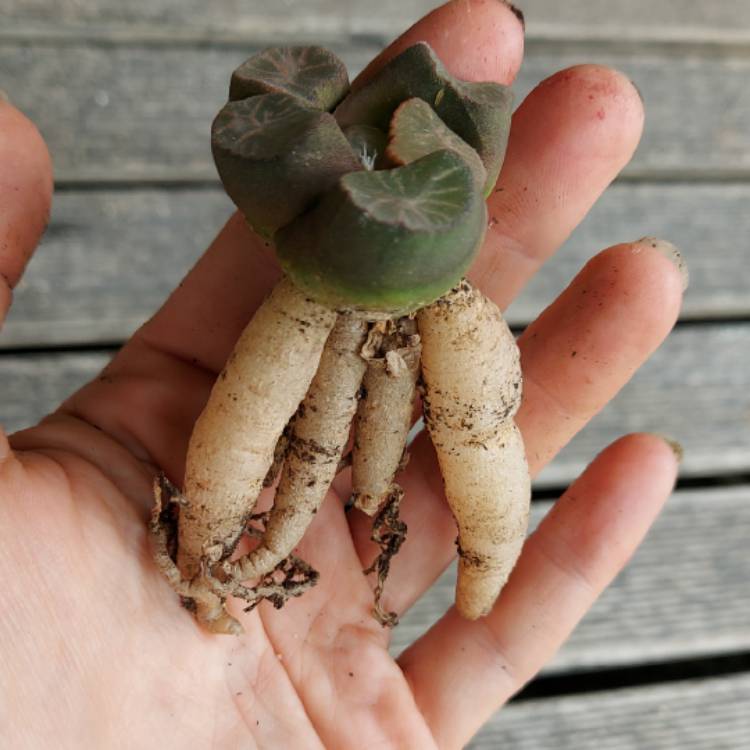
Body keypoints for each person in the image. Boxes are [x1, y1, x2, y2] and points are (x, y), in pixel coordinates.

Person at [0, 1, 687, 747]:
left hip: (426, 298)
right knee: (255, 433)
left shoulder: (449, 256)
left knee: (479, 439)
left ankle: (455, 571)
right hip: (313, 294)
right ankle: (207, 569)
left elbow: (481, 434)